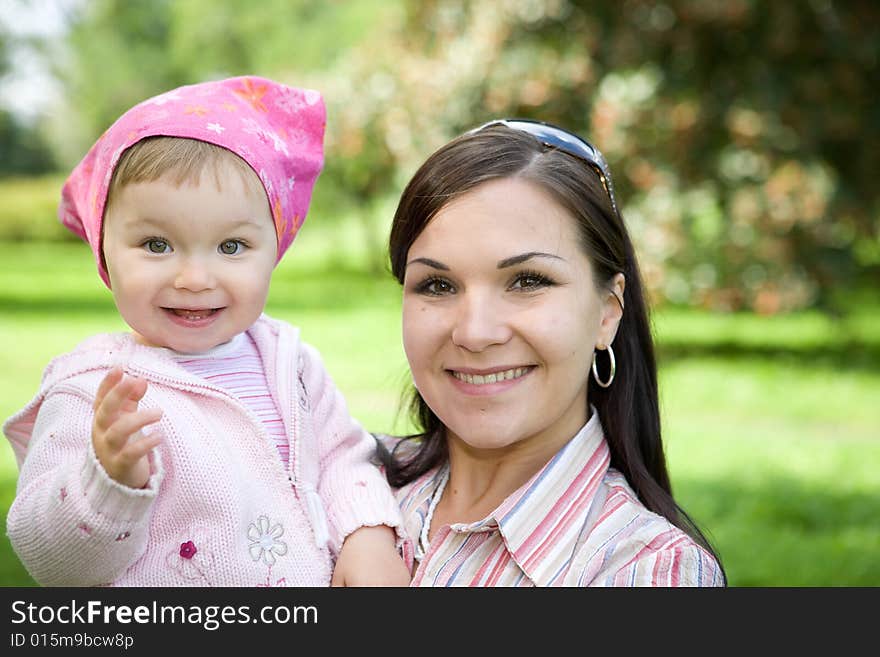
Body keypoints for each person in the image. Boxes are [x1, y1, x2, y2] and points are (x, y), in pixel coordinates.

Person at [3, 76, 410, 587]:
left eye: (232, 247)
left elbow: (341, 457)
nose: (194, 279)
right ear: (103, 250)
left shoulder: (289, 361)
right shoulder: (93, 392)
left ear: (275, 249)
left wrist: (366, 534)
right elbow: (54, 565)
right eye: (156, 245)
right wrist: (107, 480)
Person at [377, 119, 726, 586]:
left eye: (528, 281)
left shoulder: (647, 571)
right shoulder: (342, 487)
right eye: (438, 285)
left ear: (607, 311)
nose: (475, 333)